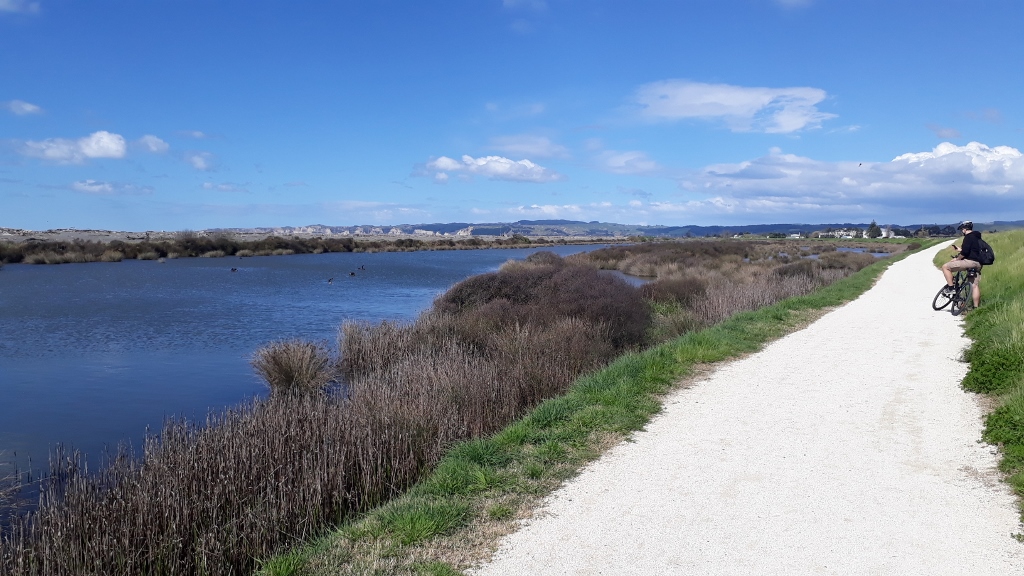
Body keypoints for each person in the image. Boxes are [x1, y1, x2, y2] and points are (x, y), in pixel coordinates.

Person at [940, 220, 982, 308]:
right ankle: (976, 307)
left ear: (964, 229)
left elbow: (965, 253)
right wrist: (960, 250)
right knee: (974, 285)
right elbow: (972, 250)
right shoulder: (977, 237)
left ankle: (951, 288)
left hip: (969, 262)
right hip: (978, 263)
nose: (961, 231)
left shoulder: (968, 237)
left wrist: (956, 259)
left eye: (961, 229)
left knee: (945, 267)